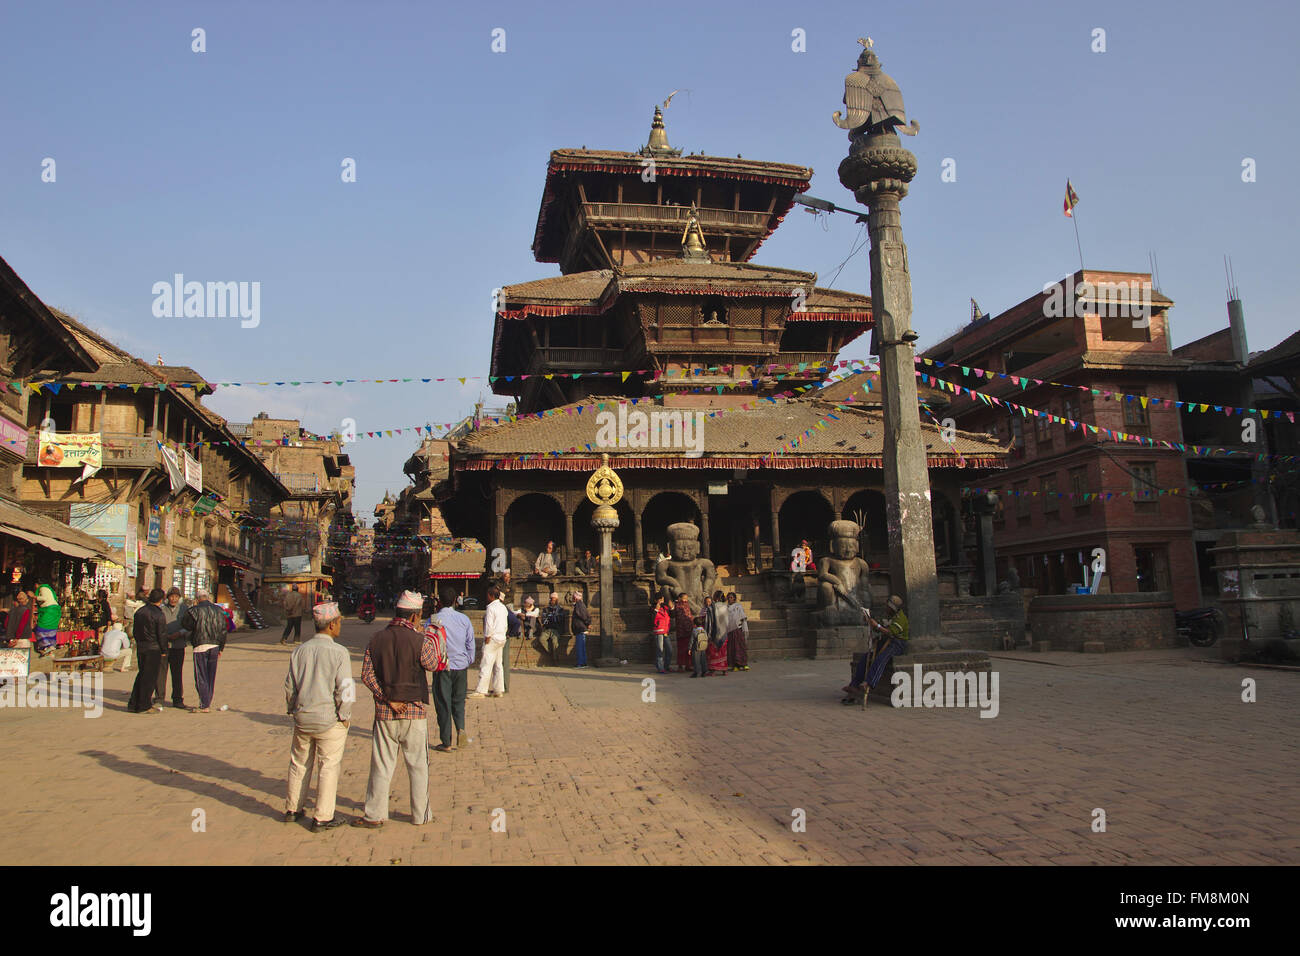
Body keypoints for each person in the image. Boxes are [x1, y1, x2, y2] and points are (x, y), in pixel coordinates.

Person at [354, 590, 441, 827]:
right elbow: (432, 664)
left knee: (381, 766)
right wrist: (430, 638)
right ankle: (420, 815)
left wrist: (386, 697)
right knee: (418, 766)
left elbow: (366, 675)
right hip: (414, 712)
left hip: (385, 713)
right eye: (420, 615)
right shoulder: (419, 640)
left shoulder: (376, 639)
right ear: (414, 616)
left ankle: (375, 814)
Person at [284, 601, 353, 832]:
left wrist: (292, 708)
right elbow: (345, 688)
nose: (340, 625)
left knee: (299, 763)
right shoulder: (339, 652)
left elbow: (289, 686)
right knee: (328, 766)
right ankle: (323, 817)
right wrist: (345, 715)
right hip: (329, 719)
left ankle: (293, 809)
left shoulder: (299, 651)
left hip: (303, 717)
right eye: (339, 621)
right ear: (332, 624)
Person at [431, 584, 475, 752]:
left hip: (442, 667)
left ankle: (446, 741)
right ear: (456, 601)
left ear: (439, 602)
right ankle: (460, 729)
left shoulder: (433, 620)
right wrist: (468, 660)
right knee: (458, 701)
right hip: (461, 666)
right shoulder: (464, 619)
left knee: (443, 703)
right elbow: (470, 643)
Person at [842, 595, 910, 704]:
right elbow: (881, 627)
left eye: (888, 607)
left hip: (897, 643)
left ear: (893, 608)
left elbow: (890, 632)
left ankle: (869, 682)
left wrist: (877, 626)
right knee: (865, 659)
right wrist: (871, 623)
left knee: (881, 658)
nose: (886, 608)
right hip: (885, 641)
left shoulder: (900, 618)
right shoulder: (887, 616)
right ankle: (854, 685)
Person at [182, 588, 228, 712]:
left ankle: (205, 703)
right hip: (214, 646)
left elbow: (186, 625)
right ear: (208, 597)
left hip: (200, 645)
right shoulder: (219, 611)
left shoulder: (193, 611)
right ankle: (207, 700)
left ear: (197, 599)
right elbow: (223, 630)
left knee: (201, 675)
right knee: (211, 675)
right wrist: (221, 647)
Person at [127, 589, 168, 713]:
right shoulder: (158, 614)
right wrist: (164, 649)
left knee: (142, 674)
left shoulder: (140, 611)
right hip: (153, 647)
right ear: (161, 600)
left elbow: (135, 631)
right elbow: (161, 634)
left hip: (142, 646)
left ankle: (134, 703)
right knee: (149, 678)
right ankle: (144, 705)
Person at [469, 585, 507, 698]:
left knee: (486, 664)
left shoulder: (491, 607)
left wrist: (487, 636)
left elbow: (489, 624)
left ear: (491, 596)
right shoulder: (503, 607)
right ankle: (498, 689)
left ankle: (481, 690)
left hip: (493, 637)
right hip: (501, 637)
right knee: (498, 664)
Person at [160, 587, 189, 709]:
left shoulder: (184, 609)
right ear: (167, 597)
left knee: (177, 674)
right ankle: (159, 698)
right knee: (161, 673)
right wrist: (164, 636)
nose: (173, 599)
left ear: (179, 598)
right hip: (164, 646)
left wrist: (180, 633)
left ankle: (177, 699)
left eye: (176, 597)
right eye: (171, 596)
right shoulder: (161, 609)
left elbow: (189, 625)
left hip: (178, 645)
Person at [32, 584, 61, 657]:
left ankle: (46, 646)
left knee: (40, 628)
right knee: (50, 628)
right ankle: (50, 646)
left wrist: (34, 596)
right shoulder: (48, 588)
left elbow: (44, 598)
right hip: (52, 611)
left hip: (49, 610)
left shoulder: (43, 588)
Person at [538, 592, 566, 665]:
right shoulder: (546, 609)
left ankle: (555, 659)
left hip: (556, 629)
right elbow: (544, 620)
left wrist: (551, 617)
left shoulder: (560, 609)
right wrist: (552, 617)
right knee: (541, 639)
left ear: (556, 600)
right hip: (547, 629)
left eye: (553, 599)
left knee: (554, 642)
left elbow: (559, 619)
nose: (551, 601)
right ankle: (551, 652)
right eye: (551, 599)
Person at [705, 590, 729, 675]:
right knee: (723, 652)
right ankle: (724, 670)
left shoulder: (711, 608)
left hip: (714, 633)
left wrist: (707, 633)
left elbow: (709, 622)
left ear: (716, 597)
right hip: (724, 633)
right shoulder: (726, 607)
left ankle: (713, 670)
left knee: (713, 652)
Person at [726, 592, 750, 671]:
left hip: (738, 629)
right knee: (732, 648)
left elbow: (742, 617)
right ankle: (735, 665)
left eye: (731, 597)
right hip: (730, 630)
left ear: (734, 598)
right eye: (729, 597)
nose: (730, 599)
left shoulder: (738, 606)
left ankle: (744, 664)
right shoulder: (726, 608)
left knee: (740, 647)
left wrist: (744, 628)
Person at [673, 594, 694, 673]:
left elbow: (689, 615)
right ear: (679, 598)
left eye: (686, 599)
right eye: (684, 598)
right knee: (681, 649)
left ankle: (688, 665)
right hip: (681, 630)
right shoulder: (677, 606)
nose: (685, 600)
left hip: (689, 629)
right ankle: (680, 666)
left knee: (689, 649)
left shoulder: (687, 605)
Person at [570, 589, 591, 669]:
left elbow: (583, 615)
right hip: (581, 628)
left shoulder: (579, 605)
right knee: (582, 647)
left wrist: (587, 623)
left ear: (575, 598)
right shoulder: (580, 604)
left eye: (573, 597)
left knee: (580, 647)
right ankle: (583, 662)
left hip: (580, 628)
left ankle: (581, 663)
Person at [651, 596, 672, 674]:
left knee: (670, 650)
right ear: (656, 600)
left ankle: (666, 666)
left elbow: (672, 616)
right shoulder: (653, 608)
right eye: (660, 599)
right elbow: (651, 618)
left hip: (666, 631)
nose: (662, 601)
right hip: (658, 631)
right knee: (660, 650)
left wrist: (672, 607)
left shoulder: (665, 608)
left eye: (662, 599)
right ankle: (660, 668)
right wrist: (656, 609)